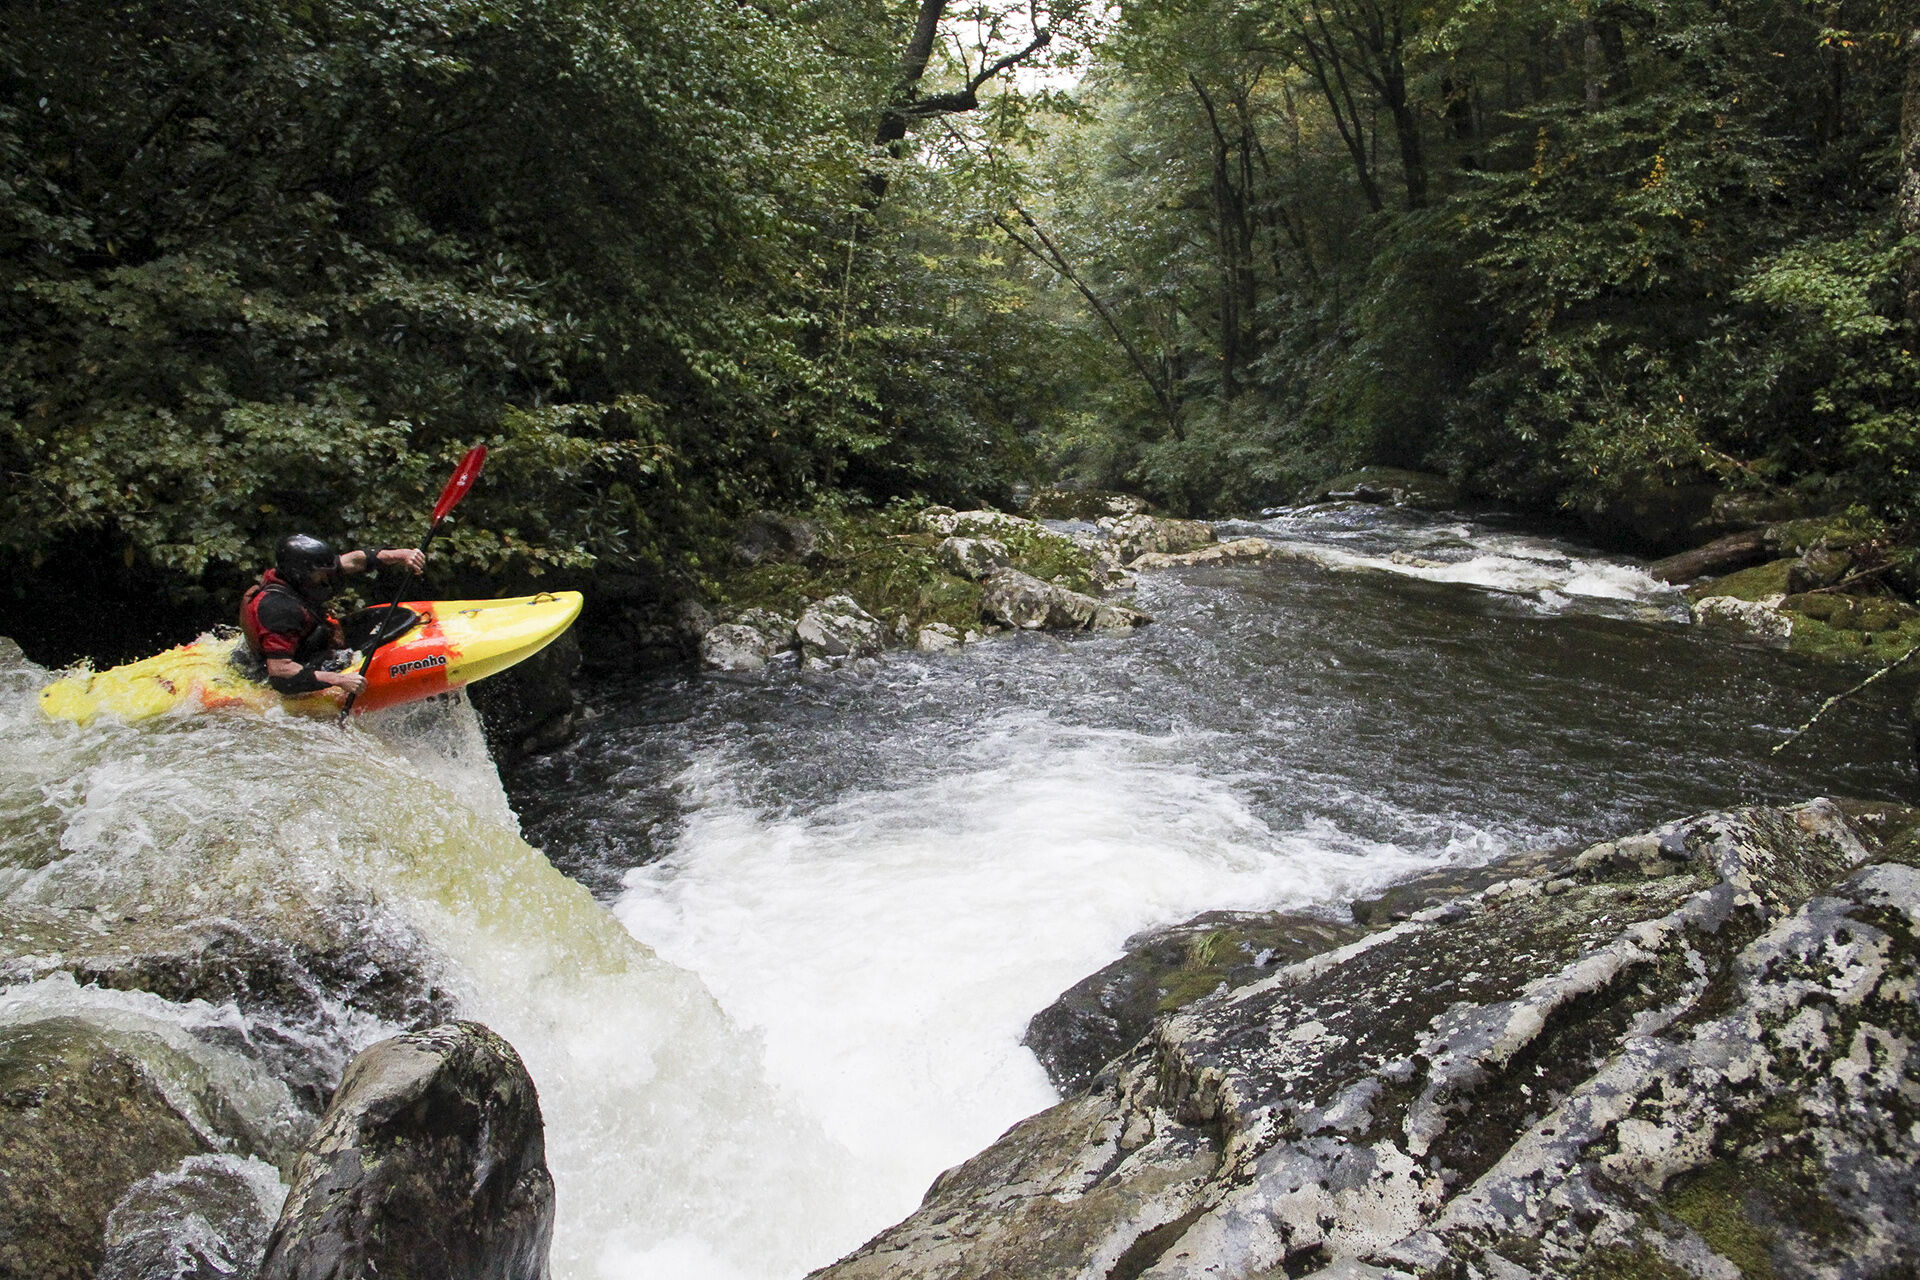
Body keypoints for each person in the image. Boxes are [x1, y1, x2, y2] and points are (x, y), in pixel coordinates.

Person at [238, 534, 426, 702]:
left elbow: (354, 561)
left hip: (299, 645)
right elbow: (279, 671)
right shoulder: (279, 609)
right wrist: (340, 680)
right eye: (320, 573)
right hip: (278, 672)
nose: (326, 577)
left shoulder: (294, 576)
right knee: (343, 657)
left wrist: (403, 555)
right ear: (300, 573)